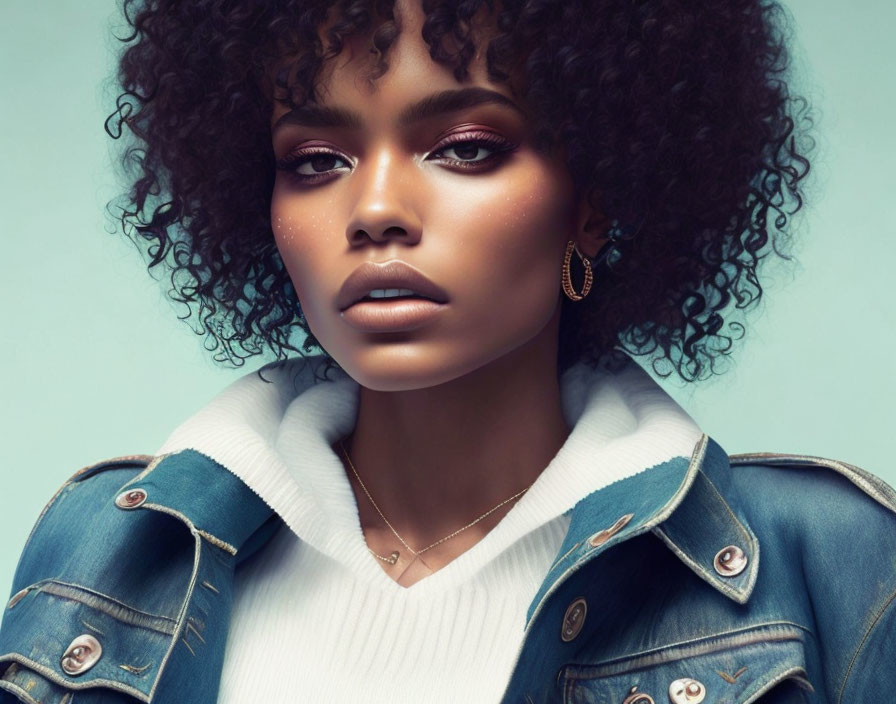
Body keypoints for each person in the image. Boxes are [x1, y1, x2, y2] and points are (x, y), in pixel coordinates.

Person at [1, 0, 894, 702]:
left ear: (593, 199)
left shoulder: (831, 569)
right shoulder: (103, 552)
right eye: (315, 159)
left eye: (465, 147)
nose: (376, 207)